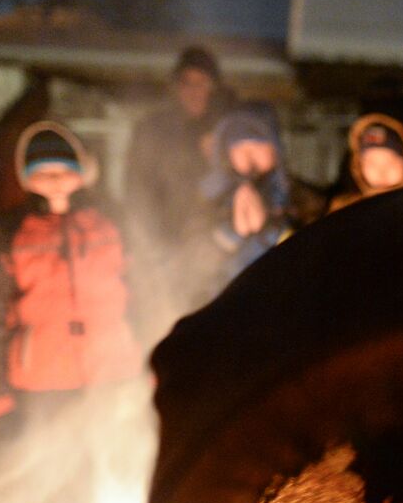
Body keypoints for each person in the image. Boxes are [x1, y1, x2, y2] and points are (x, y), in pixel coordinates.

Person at [0, 122, 143, 426]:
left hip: (115, 370)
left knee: (121, 458)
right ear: (26, 179)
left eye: (65, 171)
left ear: (83, 172)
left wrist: (157, 361)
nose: (56, 181)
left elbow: (142, 292)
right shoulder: (10, 234)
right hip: (43, 380)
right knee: (55, 465)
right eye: (44, 174)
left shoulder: (110, 223)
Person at [123, 46, 230, 333]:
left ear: (214, 87)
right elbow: (136, 194)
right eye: (187, 83)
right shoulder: (153, 130)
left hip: (217, 249)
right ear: (176, 87)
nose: (194, 90)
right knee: (167, 323)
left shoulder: (228, 129)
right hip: (166, 249)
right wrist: (152, 248)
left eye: (202, 83)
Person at [199, 104, 293, 286]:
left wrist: (271, 229)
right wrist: (233, 233)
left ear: (274, 149)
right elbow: (194, 263)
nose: (249, 156)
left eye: (257, 145)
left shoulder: (298, 198)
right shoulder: (209, 198)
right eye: (239, 148)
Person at [328, 82, 403, 214]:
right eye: (371, 163)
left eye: (391, 162)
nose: (381, 170)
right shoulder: (343, 211)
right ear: (357, 163)